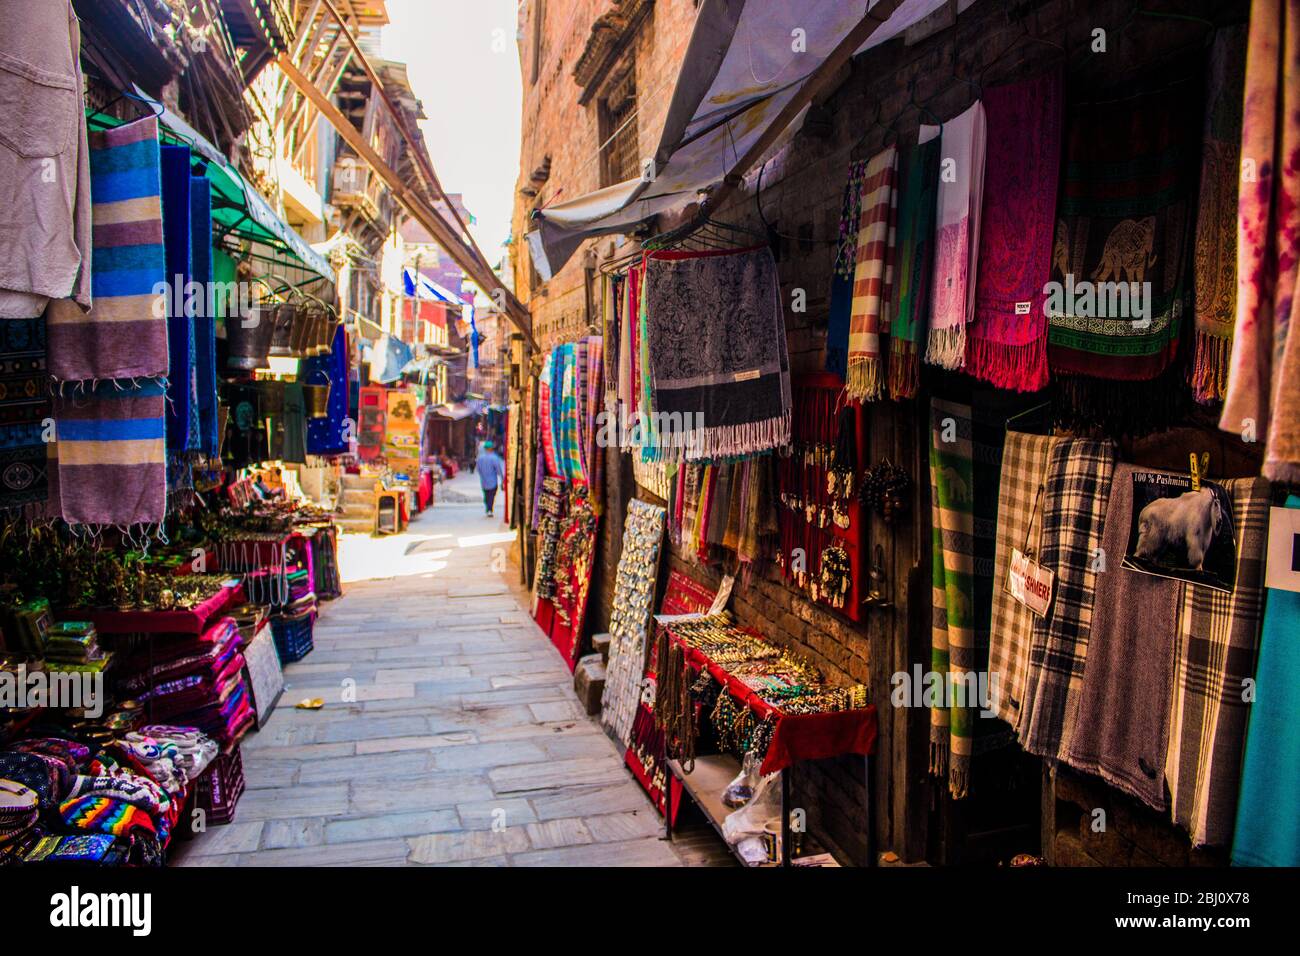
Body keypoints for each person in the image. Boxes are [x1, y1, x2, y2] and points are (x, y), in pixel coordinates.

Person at [475, 440, 505, 517]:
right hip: (493, 481)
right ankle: (489, 509)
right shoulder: (494, 458)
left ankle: (488, 508)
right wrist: (502, 478)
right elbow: (498, 469)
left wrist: (483, 474)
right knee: (491, 495)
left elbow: (478, 469)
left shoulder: (480, 458)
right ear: (491, 448)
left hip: (484, 481)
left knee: (486, 495)